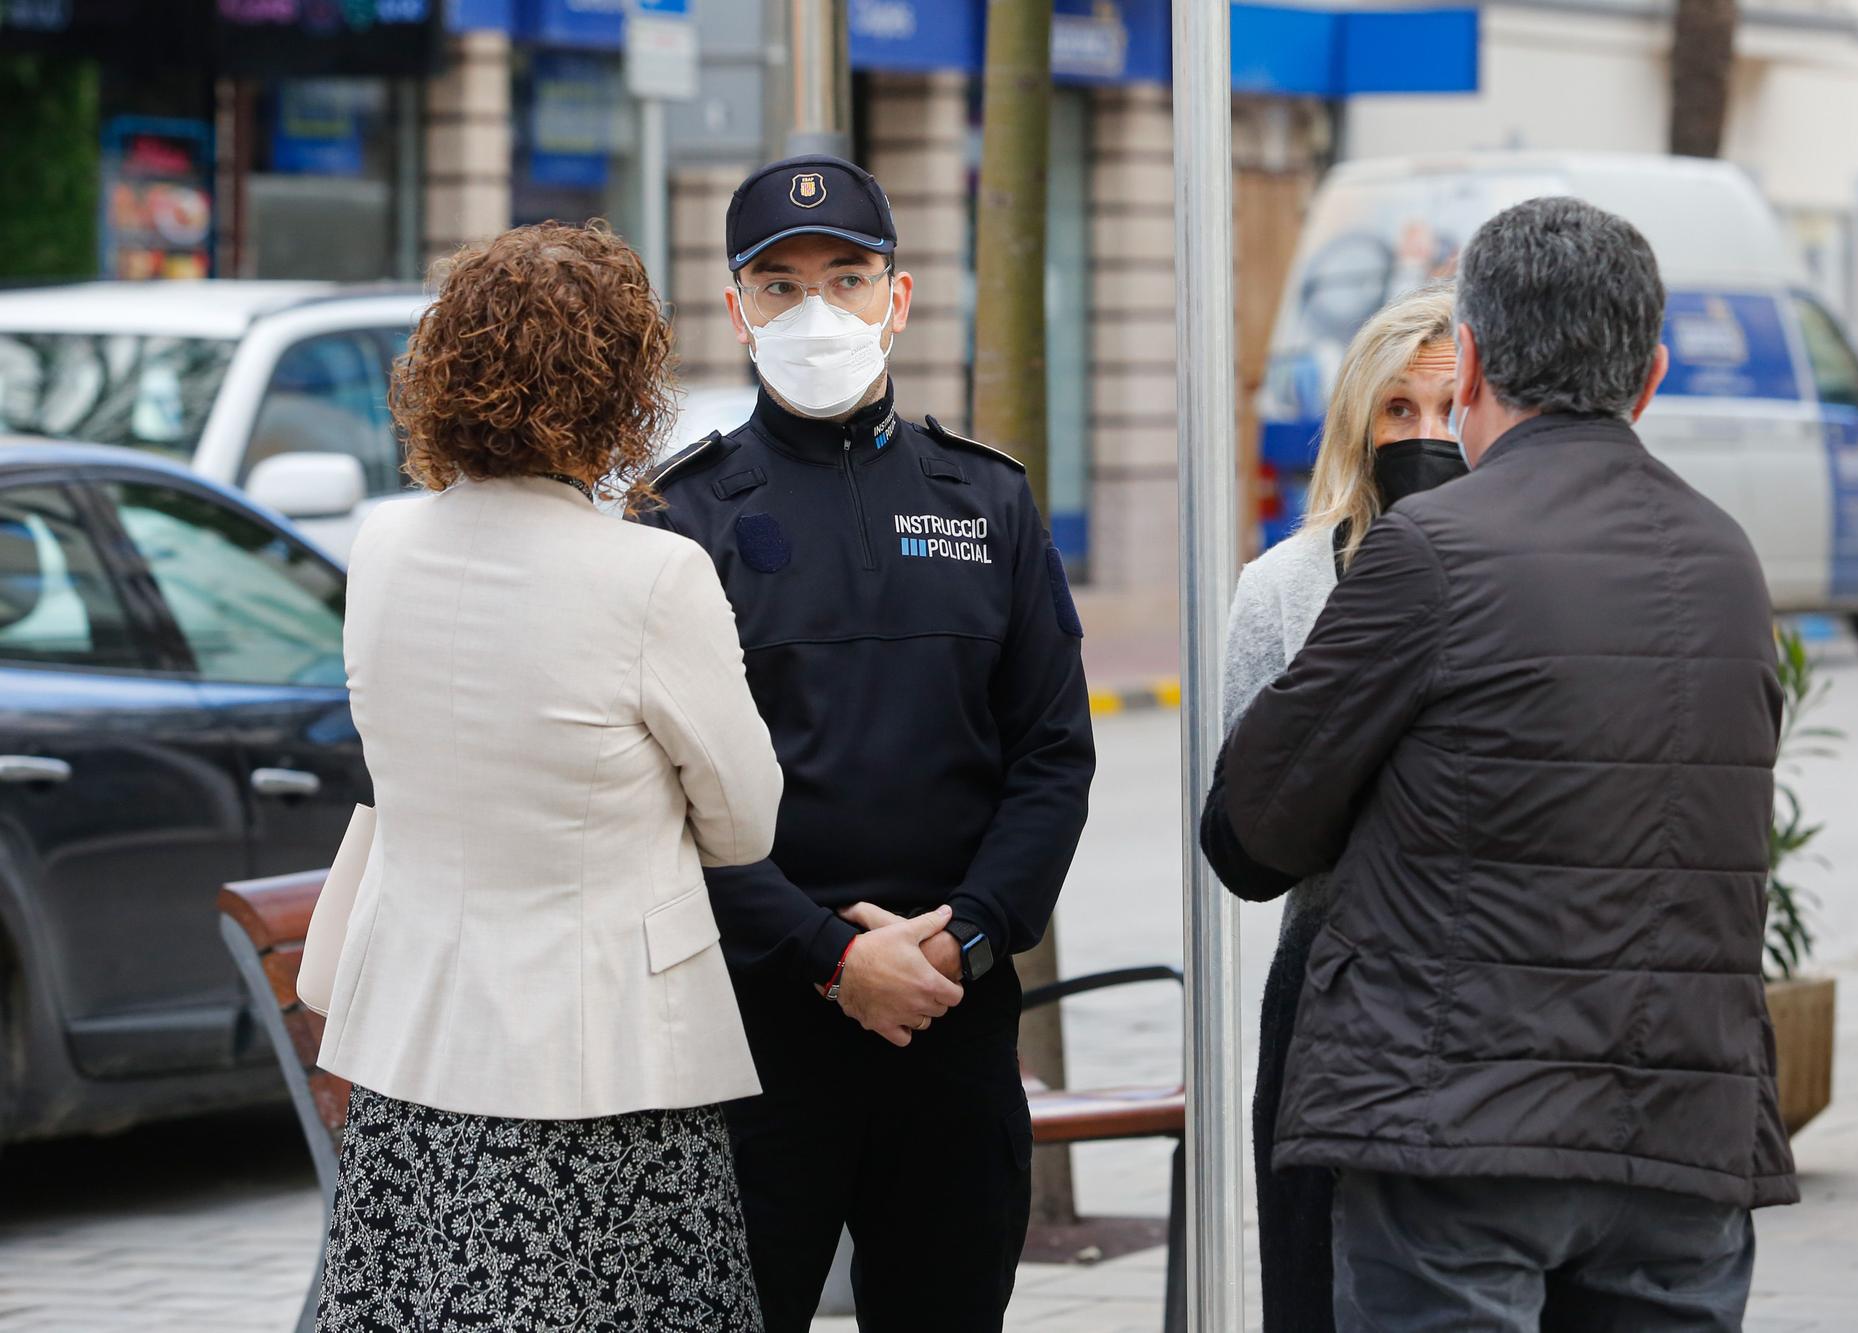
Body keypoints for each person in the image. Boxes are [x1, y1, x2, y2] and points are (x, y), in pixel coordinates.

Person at [1206, 196, 1798, 1330]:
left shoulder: (1429, 550)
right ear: (1652, 374)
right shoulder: (1728, 560)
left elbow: (1248, 834)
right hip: (1681, 1137)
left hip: (1457, 1142)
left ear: (1468, 360)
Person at [633, 155, 1095, 1333]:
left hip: (952, 1020)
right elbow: (660, 807)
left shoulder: (988, 503)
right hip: (757, 1040)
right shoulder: (681, 520)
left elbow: (1050, 755)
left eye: (846, 277)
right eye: (779, 286)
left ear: (899, 296)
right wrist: (830, 956)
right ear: (734, 310)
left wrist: (973, 935)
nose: (816, 312)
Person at [314, 221, 783, 1332]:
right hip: (601, 1067)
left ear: (440, 376)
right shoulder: (652, 576)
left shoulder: (380, 547)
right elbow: (745, 821)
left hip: (416, 1049)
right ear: (623, 387)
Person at [1210, 282, 1464, 1333]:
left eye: (1448, 408)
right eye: (1398, 409)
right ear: (1357, 421)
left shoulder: (1528, 579)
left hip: (1478, 980)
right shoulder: (1282, 588)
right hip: (1326, 974)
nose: (1424, 433)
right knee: (1313, 1285)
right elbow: (1240, 812)